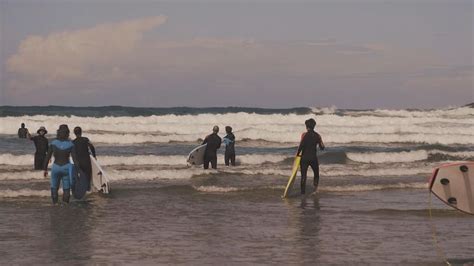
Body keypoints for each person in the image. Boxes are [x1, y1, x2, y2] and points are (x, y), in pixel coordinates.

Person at [44, 124, 77, 204]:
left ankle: (55, 204)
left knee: (54, 187)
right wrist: (77, 170)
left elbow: (47, 157)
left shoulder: (53, 143)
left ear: (58, 132)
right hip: (66, 167)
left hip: (56, 167)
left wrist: (45, 169)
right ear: (67, 133)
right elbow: (75, 160)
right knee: (66, 189)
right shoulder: (71, 144)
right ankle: (65, 205)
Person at [296, 118, 325, 194]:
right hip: (313, 158)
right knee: (316, 174)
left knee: (303, 176)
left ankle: (303, 193)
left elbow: (301, 146)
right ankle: (315, 190)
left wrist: (297, 154)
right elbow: (322, 147)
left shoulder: (304, 135)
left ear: (306, 126)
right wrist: (320, 141)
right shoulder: (318, 136)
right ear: (314, 126)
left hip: (304, 158)